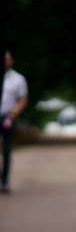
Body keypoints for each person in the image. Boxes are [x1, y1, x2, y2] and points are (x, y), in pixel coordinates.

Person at [1, 51, 28, 193]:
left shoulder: (18, 79)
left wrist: (13, 114)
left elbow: (22, 99)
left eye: (8, 59)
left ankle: (4, 180)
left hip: (7, 117)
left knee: (6, 150)